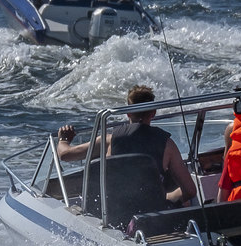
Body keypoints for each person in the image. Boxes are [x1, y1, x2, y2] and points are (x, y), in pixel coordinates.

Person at [55, 85, 196, 209]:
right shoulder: (168, 145)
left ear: (128, 113)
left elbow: (65, 155)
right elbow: (189, 190)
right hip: (152, 213)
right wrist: (166, 198)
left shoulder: (108, 140)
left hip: (114, 212)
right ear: (153, 113)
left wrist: (63, 139)